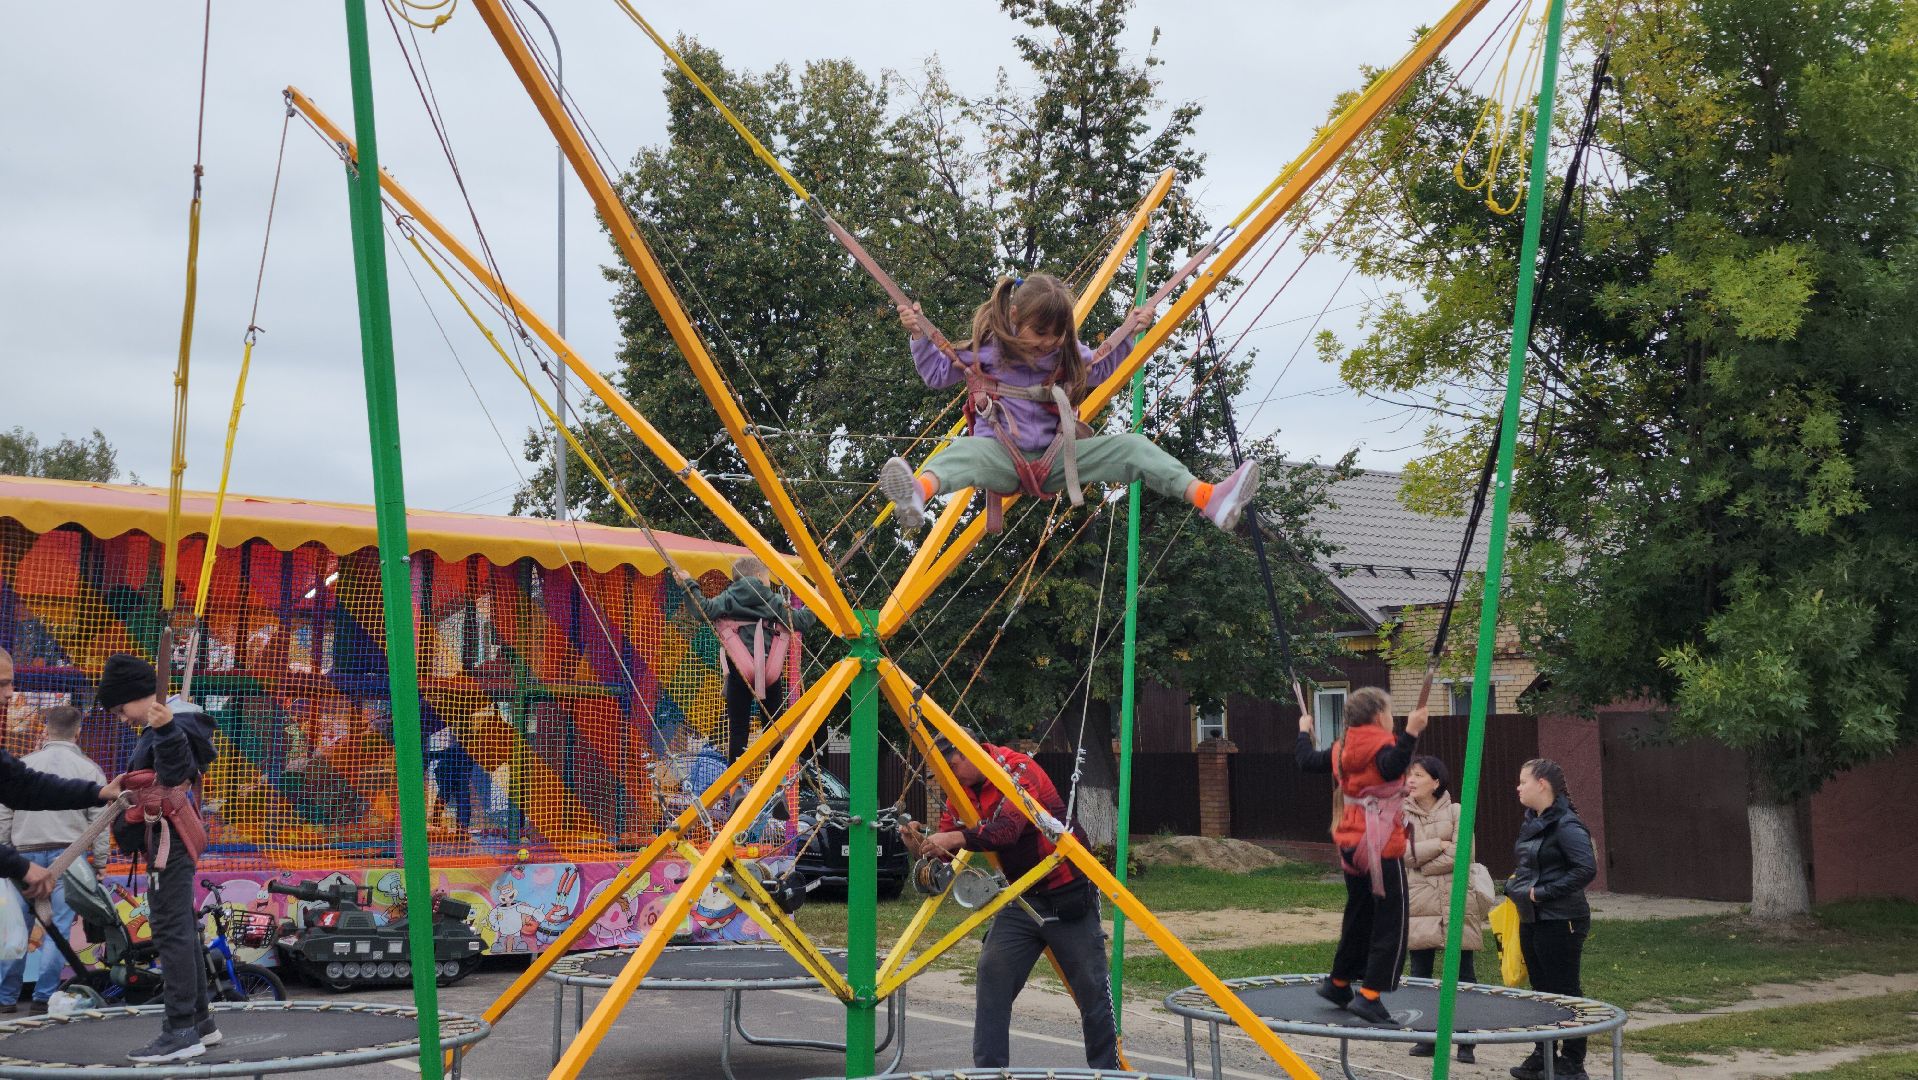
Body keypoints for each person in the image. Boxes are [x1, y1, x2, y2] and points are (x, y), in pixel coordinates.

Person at [878, 274, 1260, 533]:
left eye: (1058, 333)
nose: (1048, 341)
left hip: (1058, 459)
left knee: (1134, 447)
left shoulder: (1066, 354)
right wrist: (919, 337)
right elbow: (936, 374)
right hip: (998, 456)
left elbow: (1099, 367)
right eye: (1040, 332)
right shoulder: (987, 353)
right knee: (961, 451)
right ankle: (917, 494)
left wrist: (1130, 331)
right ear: (1014, 316)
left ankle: (1209, 498)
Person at [905, 732, 1117, 1070]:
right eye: (939, 771)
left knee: (1091, 989)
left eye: (951, 765)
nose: (947, 776)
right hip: (1022, 898)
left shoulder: (1017, 769)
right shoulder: (958, 793)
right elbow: (943, 856)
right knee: (993, 974)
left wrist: (956, 835)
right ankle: (989, 1071)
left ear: (972, 752)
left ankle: (1107, 1072)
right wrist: (917, 841)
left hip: (1068, 892)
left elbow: (1008, 830)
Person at [95, 654, 221, 1064]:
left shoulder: (171, 724)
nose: (120, 718)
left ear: (135, 696)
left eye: (119, 708)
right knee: (180, 925)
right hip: (170, 836)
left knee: (172, 930)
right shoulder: (172, 722)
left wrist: (164, 730)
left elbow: (174, 770)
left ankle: (181, 1028)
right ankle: (199, 1022)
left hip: (170, 839)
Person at [1296, 686, 1429, 1024]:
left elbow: (1306, 760)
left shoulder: (1342, 748)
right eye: (1390, 711)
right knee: (1392, 921)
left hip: (1350, 844)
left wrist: (1302, 732)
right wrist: (1412, 732)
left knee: (1360, 913)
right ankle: (1370, 995)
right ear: (1377, 715)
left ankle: (1339, 982)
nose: (1393, 718)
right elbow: (1392, 765)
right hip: (1380, 845)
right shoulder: (1382, 744)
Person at [0, 649, 120, 1008]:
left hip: (23, 851)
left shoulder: (25, 761)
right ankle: (45, 995)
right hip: (65, 856)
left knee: (13, 929)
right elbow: (97, 828)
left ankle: (6, 996)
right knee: (56, 928)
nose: (10, 694)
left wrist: (11, 857)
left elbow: (22, 792)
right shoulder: (88, 766)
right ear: (78, 729)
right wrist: (100, 863)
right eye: (4, 684)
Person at [674, 556, 822, 765]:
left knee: (738, 728)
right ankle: (776, 780)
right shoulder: (774, 600)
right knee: (774, 727)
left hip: (739, 670)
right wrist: (817, 596)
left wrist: (688, 583)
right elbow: (801, 621)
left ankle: (737, 785)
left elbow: (703, 610)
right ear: (760, 576)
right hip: (770, 670)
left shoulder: (728, 598)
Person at [1507, 758, 1597, 1080]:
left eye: (1523, 781)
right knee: (1540, 989)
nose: (1518, 787)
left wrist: (1541, 893)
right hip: (1532, 918)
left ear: (1542, 785)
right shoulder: (1533, 820)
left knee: (1565, 989)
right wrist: (1515, 887)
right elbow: (1529, 865)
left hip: (1562, 919)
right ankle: (1543, 1053)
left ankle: (1573, 1063)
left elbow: (1585, 869)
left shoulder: (1567, 825)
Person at [1401, 754, 1483, 1063]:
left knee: (1463, 973)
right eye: (1409, 775)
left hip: (1454, 900)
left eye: (1418, 775)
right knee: (1420, 972)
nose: (1411, 780)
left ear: (1436, 781)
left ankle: (1465, 1040)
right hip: (1419, 903)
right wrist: (1439, 844)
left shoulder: (1457, 811)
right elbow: (1402, 855)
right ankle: (1426, 1037)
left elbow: (1464, 855)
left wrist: (1425, 860)